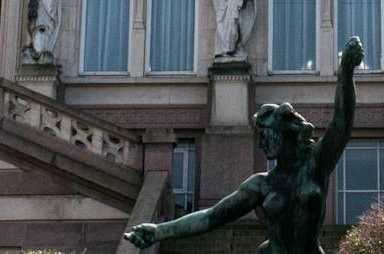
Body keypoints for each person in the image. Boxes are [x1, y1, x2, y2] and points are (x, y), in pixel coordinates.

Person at [127, 38, 363, 253]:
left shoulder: (316, 165)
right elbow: (211, 216)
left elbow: (342, 121)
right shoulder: (261, 184)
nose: (261, 143)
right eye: (259, 136)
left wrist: (345, 73)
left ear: (285, 133)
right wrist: (159, 231)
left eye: (266, 135)